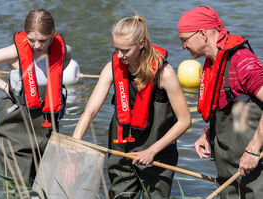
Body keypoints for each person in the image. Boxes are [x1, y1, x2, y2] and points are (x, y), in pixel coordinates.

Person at [73, 15, 191, 198]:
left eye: (125, 50)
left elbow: (185, 121)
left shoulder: (164, 73)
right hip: (122, 150)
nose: (120, 55)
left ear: (141, 43)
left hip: (157, 153)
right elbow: (90, 110)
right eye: (116, 49)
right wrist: (75, 143)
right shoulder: (112, 67)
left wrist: (152, 151)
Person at [0, 9, 71, 185]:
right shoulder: (14, 53)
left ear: (52, 34)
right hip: (16, 126)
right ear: (25, 34)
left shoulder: (64, 51)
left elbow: (60, 71)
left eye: (43, 40)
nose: (37, 45)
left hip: (46, 125)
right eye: (32, 40)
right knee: (19, 185)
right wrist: (3, 86)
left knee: (46, 183)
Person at [178, 5, 263, 198]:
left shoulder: (241, 61)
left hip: (255, 170)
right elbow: (228, 109)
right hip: (229, 173)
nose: (182, 47)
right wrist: (209, 136)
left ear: (202, 34)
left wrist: (254, 149)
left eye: (185, 40)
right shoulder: (212, 64)